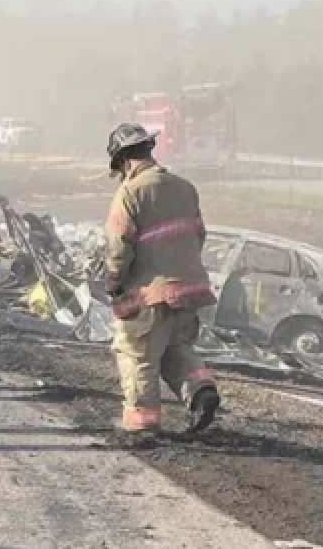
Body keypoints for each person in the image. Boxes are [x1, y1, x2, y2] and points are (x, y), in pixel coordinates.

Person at [103, 122, 221, 443]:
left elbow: (118, 247)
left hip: (150, 294)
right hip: (189, 290)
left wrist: (113, 283)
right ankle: (201, 390)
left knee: (136, 354)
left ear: (124, 161)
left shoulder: (130, 192)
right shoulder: (185, 187)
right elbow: (198, 236)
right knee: (175, 347)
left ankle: (142, 424)